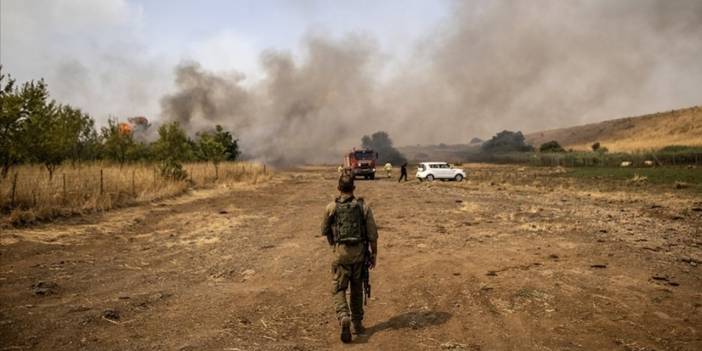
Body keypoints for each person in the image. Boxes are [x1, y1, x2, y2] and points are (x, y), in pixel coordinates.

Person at [320, 174, 378, 343]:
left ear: (338, 188)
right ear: (353, 188)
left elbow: (324, 230)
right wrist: (373, 254)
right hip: (359, 254)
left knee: (338, 288)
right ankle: (357, 324)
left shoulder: (331, 207)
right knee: (357, 289)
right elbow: (373, 235)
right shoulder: (363, 207)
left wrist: (334, 245)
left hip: (341, 254)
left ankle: (343, 315)